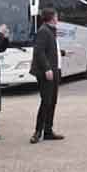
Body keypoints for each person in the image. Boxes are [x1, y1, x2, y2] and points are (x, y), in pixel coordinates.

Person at [30, 8, 65, 144]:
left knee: (52, 101)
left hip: (54, 71)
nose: (57, 18)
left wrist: (61, 53)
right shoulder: (43, 31)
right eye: (56, 16)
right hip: (47, 73)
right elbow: (39, 52)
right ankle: (37, 132)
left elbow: (49, 49)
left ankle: (48, 131)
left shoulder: (50, 31)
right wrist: (47, 68)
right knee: (46, 101)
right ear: (51, 17)